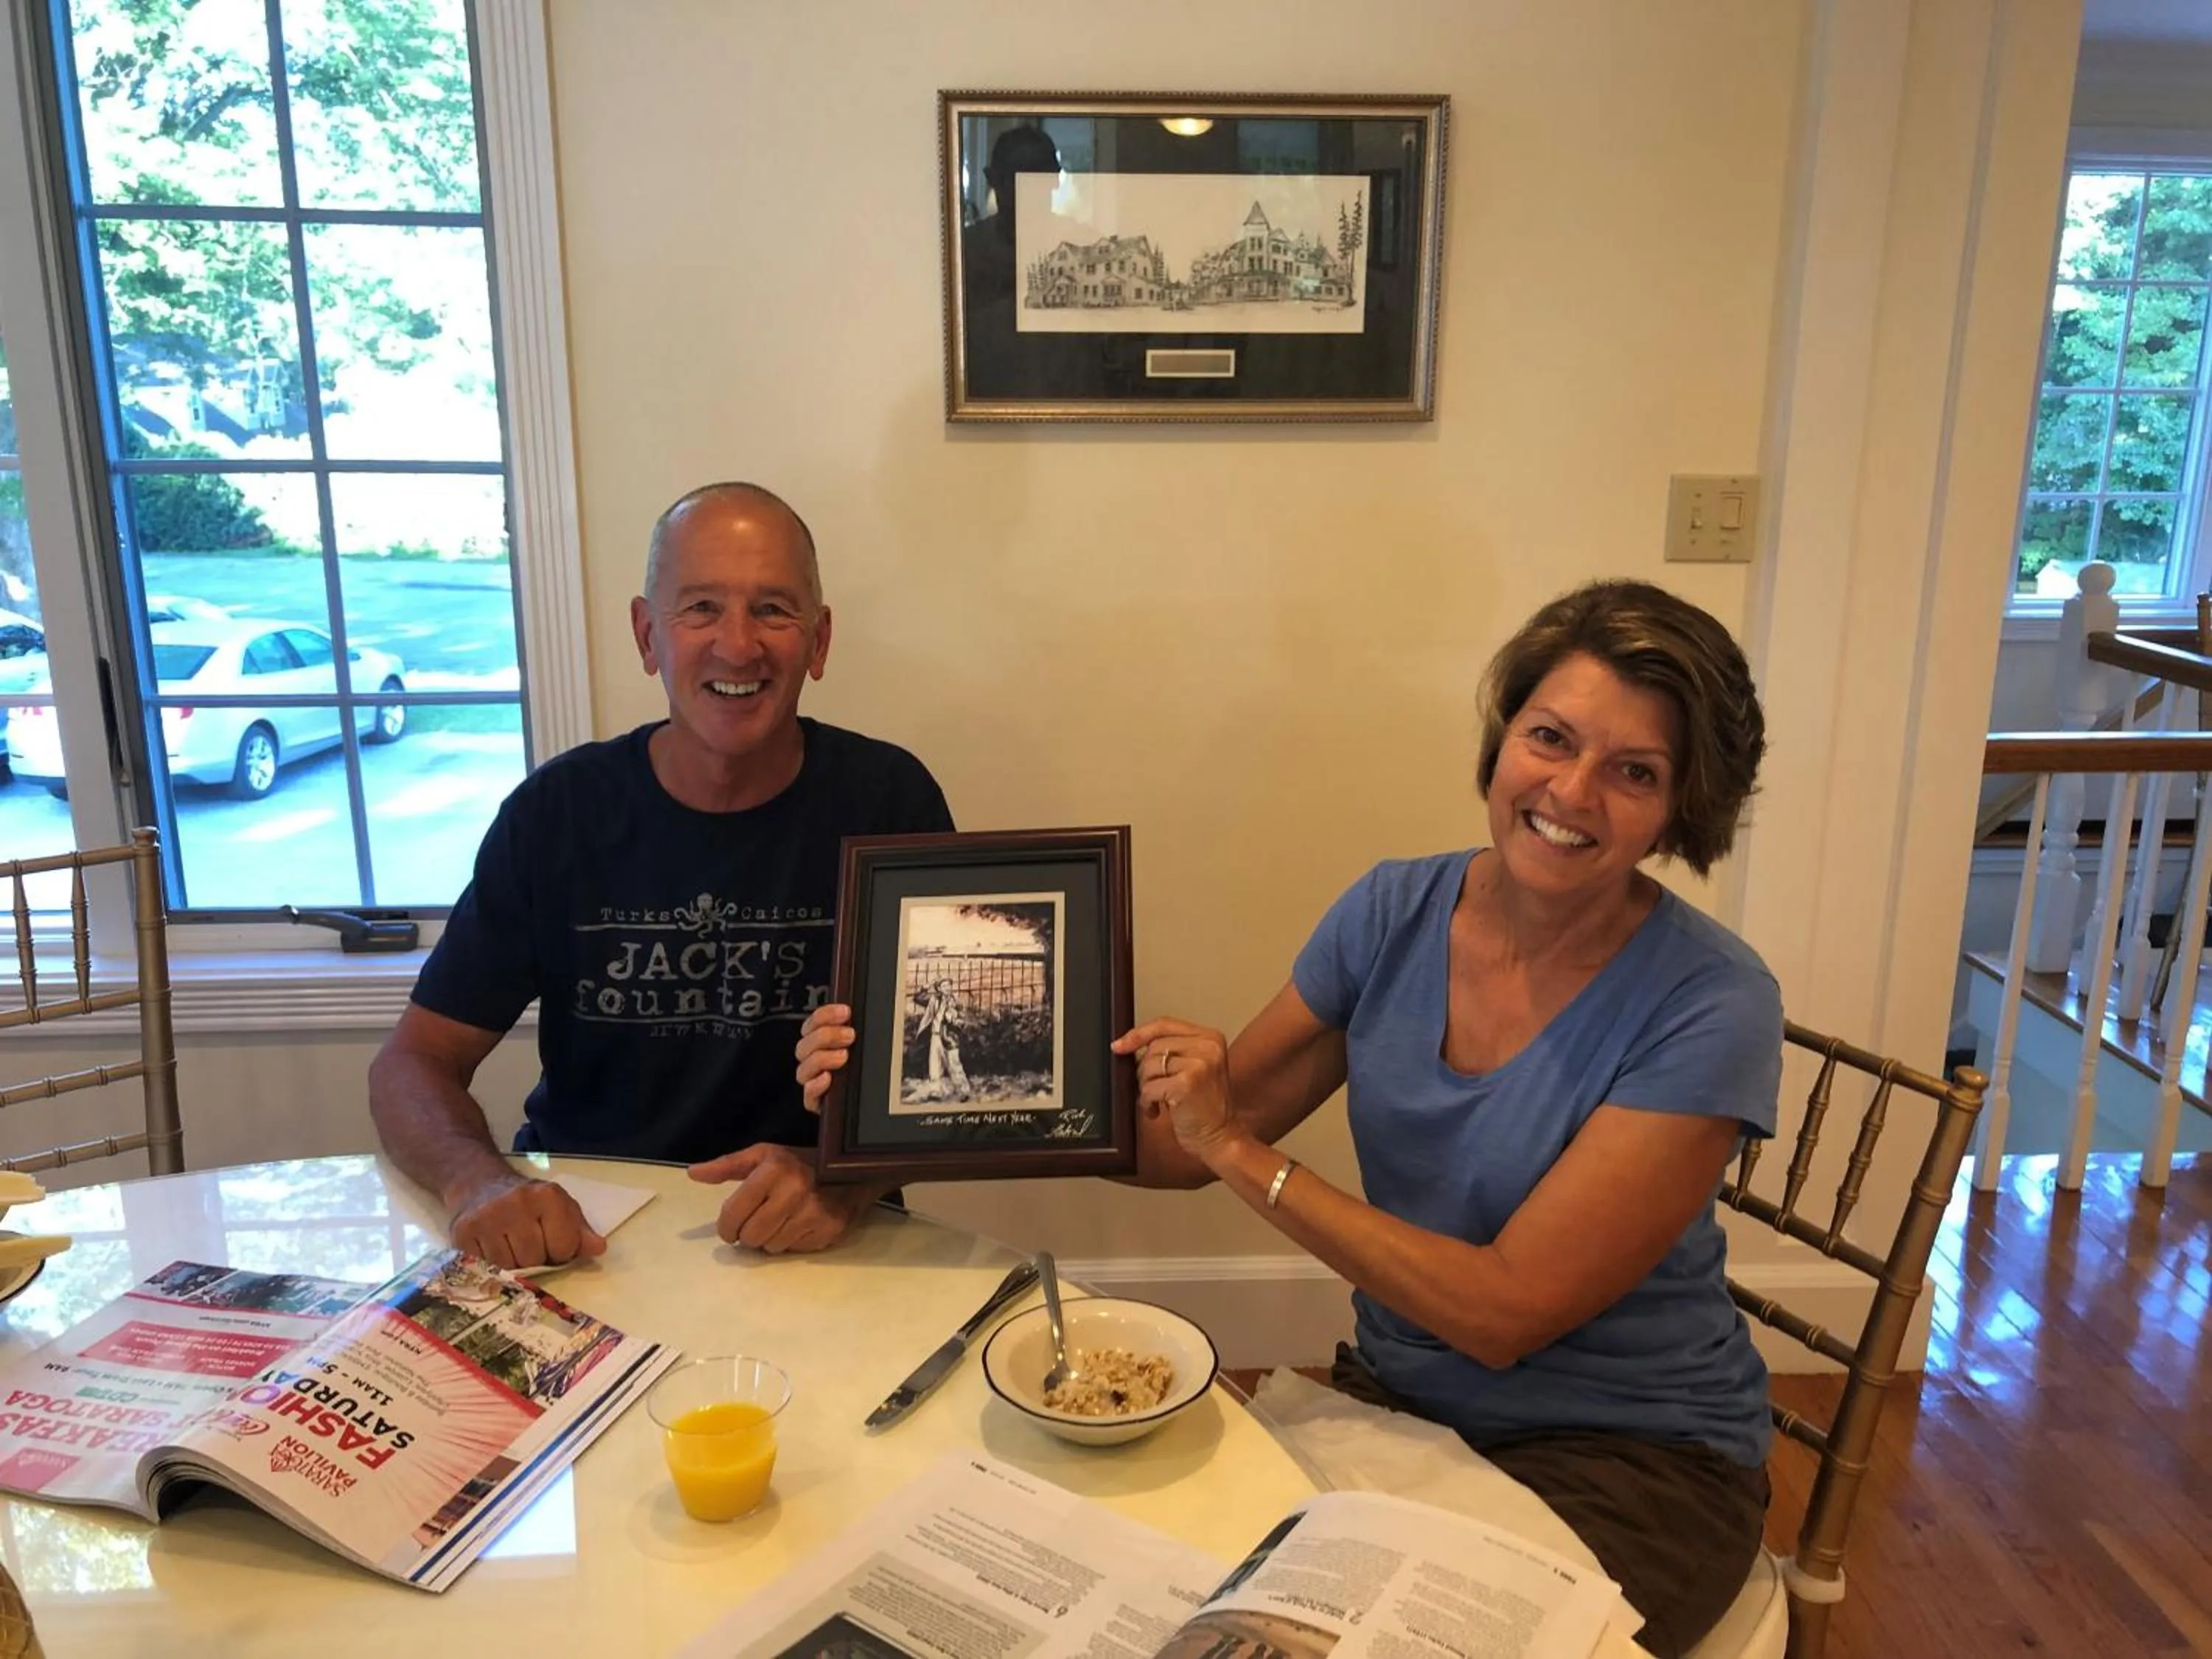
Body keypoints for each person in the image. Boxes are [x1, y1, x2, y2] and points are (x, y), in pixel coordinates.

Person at [798, 578, 1777, 1659]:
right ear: (1504, 742)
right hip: (1402, 1399)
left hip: (1632, 1460)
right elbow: (1189, 1137)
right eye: (1550, 736)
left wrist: (1239, 1149)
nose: (1573, 789)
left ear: (1685, 805)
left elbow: (1504, 1311)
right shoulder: (1394, 910)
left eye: (1632, 771)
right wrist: (903, 1095)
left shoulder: (1712, 1001)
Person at [370, 482, 952, 1270]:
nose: (738, 646)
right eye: (701, 609)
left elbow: (954, 1086)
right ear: (648, 635)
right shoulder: (558, 813)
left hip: (822, 1234)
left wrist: (841, 1181)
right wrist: (478, 1185)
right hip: (588, 1236)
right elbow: (414, 1061)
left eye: (774, 610)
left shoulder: (891, 799)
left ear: (818, 641)